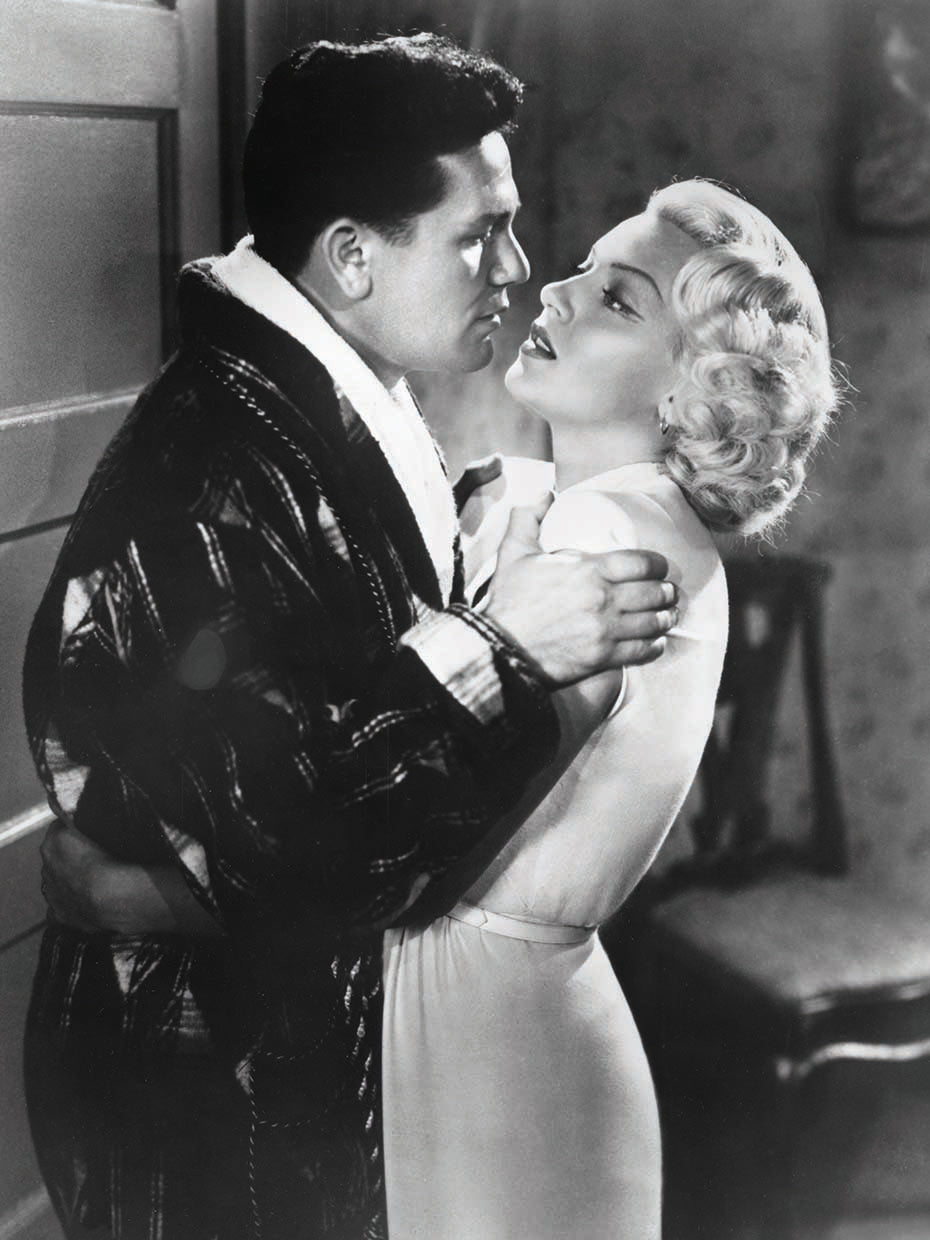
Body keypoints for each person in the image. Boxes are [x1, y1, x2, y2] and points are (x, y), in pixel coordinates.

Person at [21, 35, 678, 1240]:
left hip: (293, 1070)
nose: (517, 268)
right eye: (480, 234)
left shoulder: (328, 395)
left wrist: (465, 543)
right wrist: (497, 645)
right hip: (201, 1102)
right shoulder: (207, 465)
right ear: (353, 256)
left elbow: (316, 668)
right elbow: (294, 840)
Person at [379, 178, 839, 1238]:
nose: (557, 290)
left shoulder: (604, 540)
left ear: (690, 392)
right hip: (530, 1006)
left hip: (486, 1032)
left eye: (618, 299)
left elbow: (425, 840)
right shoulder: (629, 520)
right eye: (585, 267)